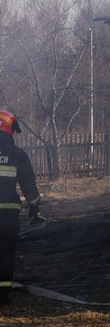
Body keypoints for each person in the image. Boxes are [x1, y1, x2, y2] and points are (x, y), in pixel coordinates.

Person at [0, 109, 42, 304]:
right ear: (10, 129)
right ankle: (3, 294)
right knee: (6, 253)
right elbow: (28, 184)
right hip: (8, 217)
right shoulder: (17, 155)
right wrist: (35, 209)